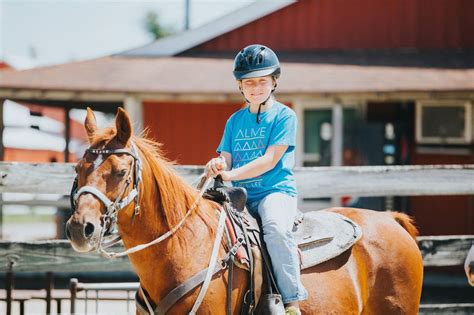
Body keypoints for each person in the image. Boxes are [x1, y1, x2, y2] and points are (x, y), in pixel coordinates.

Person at [205, 44, 307, 315]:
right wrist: (218, 164)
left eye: (262, 81)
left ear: (274, 81)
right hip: (240, 196)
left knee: (274, 228)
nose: (256, 87)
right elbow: (226, 156)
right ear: (240, 85)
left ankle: (291, 301)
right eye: (249, 82)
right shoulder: (234, 121)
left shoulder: (285, 116)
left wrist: (231, 174)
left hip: (275, 192)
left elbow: (270, 160)